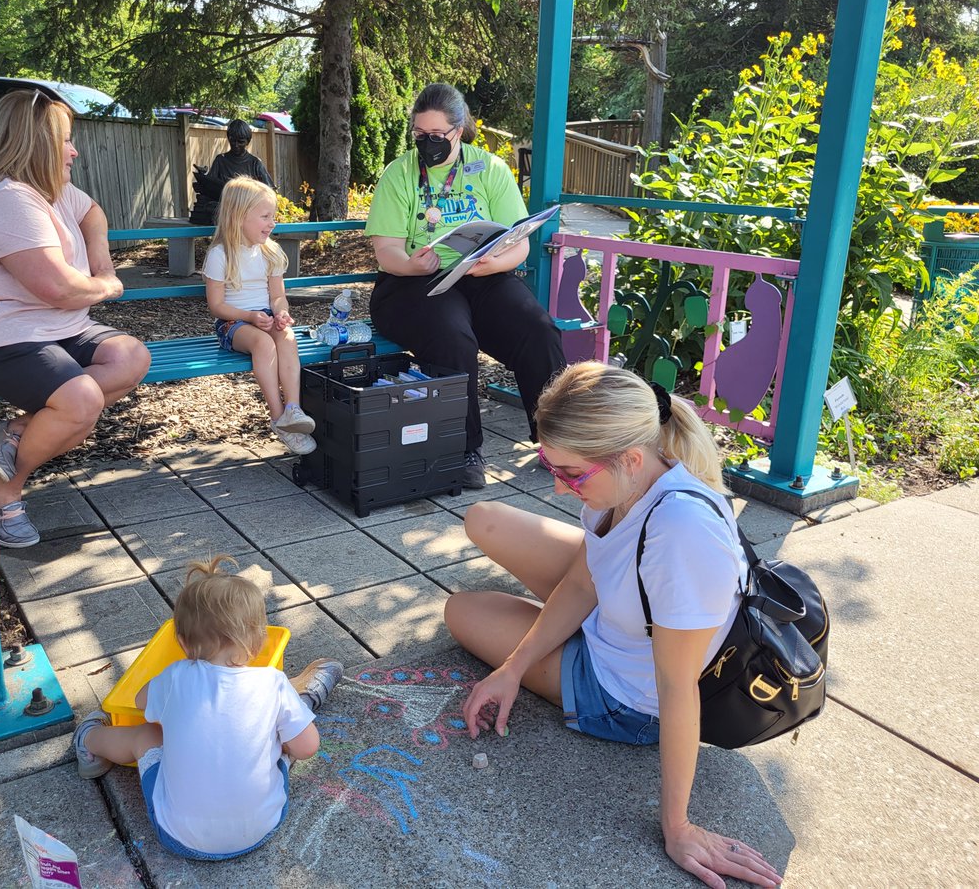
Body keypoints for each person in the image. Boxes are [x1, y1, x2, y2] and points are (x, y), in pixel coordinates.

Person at [444, 362, 784, 889]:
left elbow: (677, 688)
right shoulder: (632, 477)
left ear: (628, 459)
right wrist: (513, 669)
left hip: (627, 694)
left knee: (460, 612)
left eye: (571, 475)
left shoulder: (680, 533)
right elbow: (584, 584)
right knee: (485, 518)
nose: (558, 489)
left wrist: (678, 828)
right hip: (627, 613)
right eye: (549, 465)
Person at [0, 89, 151, 548]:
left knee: (131, 357)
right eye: (65, 140)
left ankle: (16, 431)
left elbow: (92, 211)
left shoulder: (49, 189)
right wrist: (109, 285)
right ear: (31, 142)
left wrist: (102, 263)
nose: (74, 150)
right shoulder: (4, 200)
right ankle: (3, 492)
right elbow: (59, 289)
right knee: (80, 404)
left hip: (55, 328)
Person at [73, 554, 344, 860]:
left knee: (146, 734)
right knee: (280, 736)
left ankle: (88, 740)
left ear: (182, 642)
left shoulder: (175, 676)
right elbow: (307, 748)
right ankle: (306, 698)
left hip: (179, 838)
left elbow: (139, 702)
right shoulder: (272, 681)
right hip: (262, 829)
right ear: (258, 641)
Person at [365, 83, 565, 490]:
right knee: (452, 336)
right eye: (419, 135)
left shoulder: (489, 168)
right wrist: (410, 263)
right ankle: (463, 449)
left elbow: (519, 242)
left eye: (437, 135)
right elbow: (385, 249)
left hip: (481, 274)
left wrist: (496, 261)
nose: (427, 143)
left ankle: (560, 441)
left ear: (459, 130)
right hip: (413, 281)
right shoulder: (399, 173)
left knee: (537, 328)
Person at [202, 177, 316, 455]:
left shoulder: (270, 252)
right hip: (233, 322)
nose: (272, 223)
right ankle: (278, 418)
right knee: (264, 344)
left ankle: (293, 409)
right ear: (239, 217)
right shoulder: (220, 255)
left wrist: (281, 313)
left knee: (286, 336)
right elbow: (216, 306)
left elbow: (277, 296)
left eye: (272, 216)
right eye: (265, 216)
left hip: (263, 317)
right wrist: (250, 317)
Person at [190, 119, 276, 225]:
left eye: (240, 142)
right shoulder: (220, 160)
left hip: (246, 206)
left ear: (247, 142)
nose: (236, 145)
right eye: (232, 140)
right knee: (210, 207)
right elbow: (211, 187)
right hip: (224, 205)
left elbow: (270, 191)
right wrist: (202, 182)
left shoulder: (254, 162)